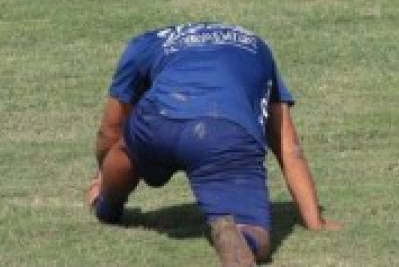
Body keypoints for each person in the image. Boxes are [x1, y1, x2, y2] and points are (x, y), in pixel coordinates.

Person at [87, 23, 338, 266]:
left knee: (126, 148)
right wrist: (315, 222)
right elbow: (288, 146)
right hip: (223, 131)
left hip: (158, 119)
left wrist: (102, 175)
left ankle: (107, 208)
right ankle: (244, 240)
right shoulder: (257, 46)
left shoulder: (144, 44)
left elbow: (109, 130)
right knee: (255, 234)